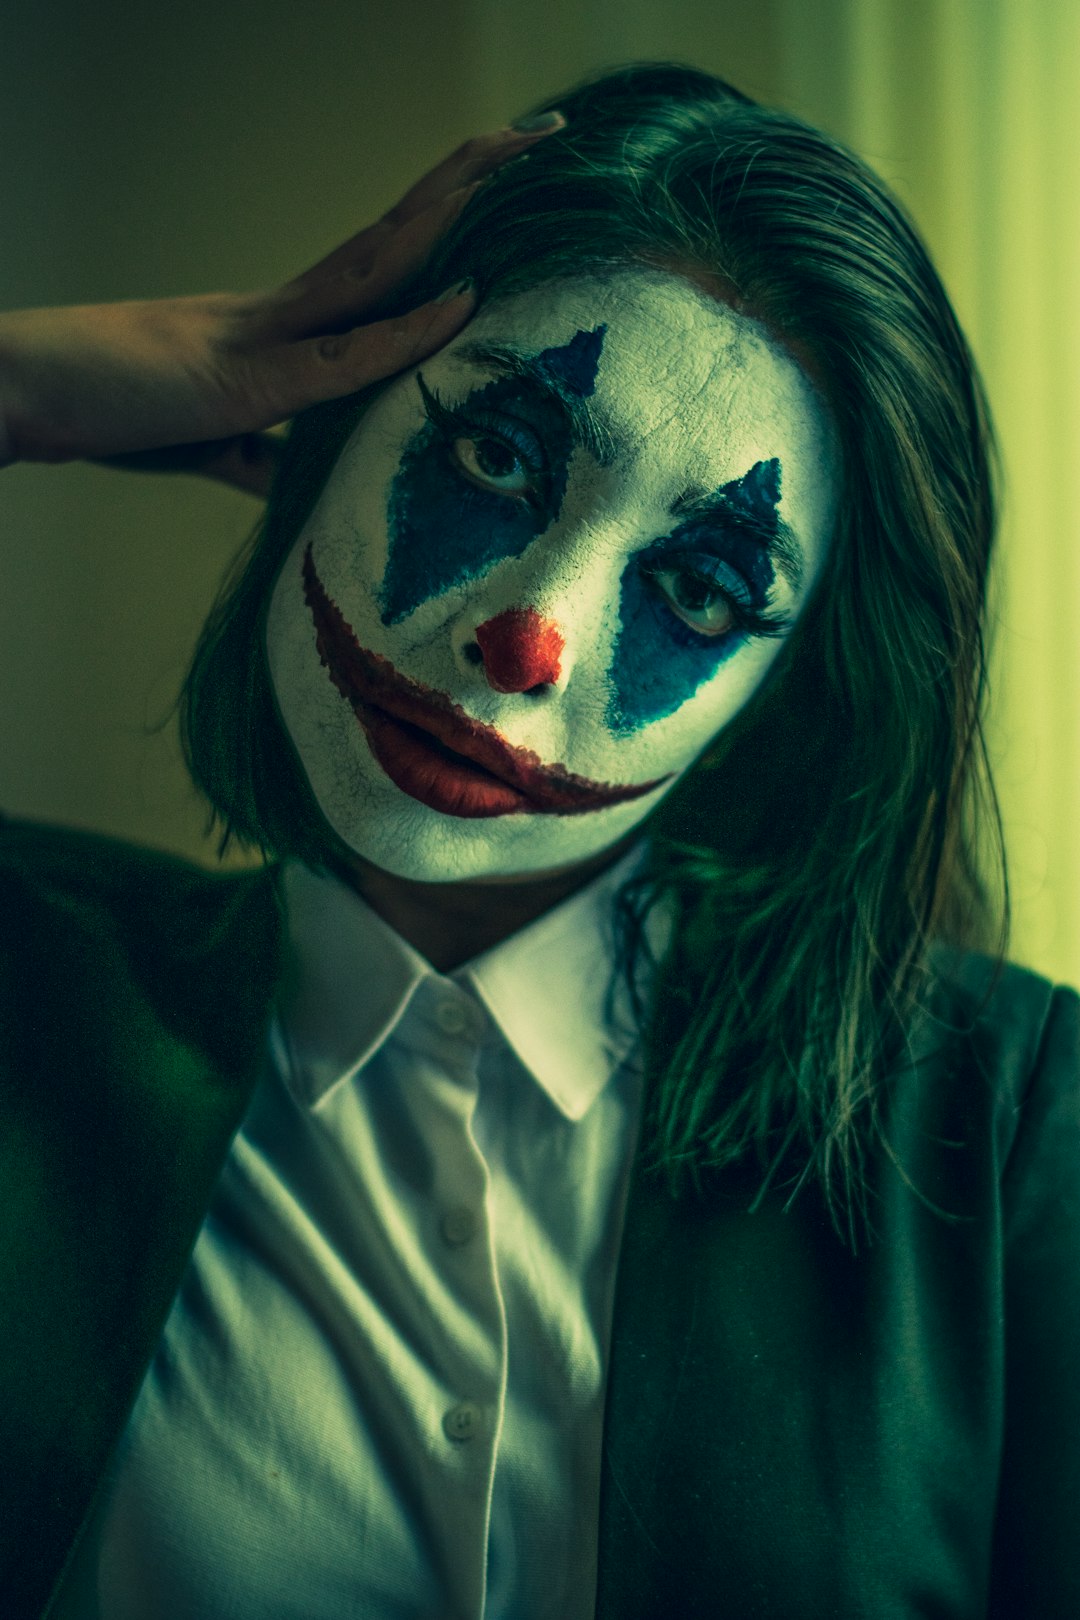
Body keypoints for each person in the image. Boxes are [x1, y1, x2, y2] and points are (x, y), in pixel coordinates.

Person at [1, 60, 1076, 1620]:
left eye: (703, 587)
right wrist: (25, 388)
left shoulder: (1011, 1128)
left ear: (779, 700)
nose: (532, 637)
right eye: (499, 454)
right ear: (326, 428)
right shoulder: (29, 987)